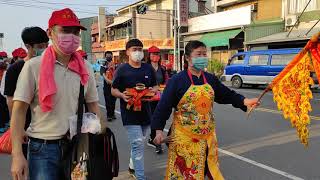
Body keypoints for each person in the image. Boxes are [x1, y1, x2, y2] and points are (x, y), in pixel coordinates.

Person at [10, 8, 101, 180]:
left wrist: (95, 140)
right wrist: (17, 155)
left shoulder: (85, 68)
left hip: (77, 145)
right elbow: (19, 109)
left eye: (75, 32)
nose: (72, 36)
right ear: (50, 33)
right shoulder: (33, 67)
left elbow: (93, 105)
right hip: (42, 149)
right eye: (65, 30)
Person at [152, 41, 260, 180]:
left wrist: (245, 101)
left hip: (207, 137)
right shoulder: (177, 80)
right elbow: (163, 107)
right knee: (185, 174)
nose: (203, 57)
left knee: (204, 171)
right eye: (199, 54)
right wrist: (158, 130)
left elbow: (226, 95)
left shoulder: (210, 79)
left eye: (204, 54)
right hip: (184, 139)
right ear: (187, 58)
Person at [111, 39, 158, 180]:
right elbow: (113, 89)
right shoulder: (122, 70)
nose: (138, 52)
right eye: (134, 49)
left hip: (146, 113)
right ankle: (140, 177)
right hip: (129, 113)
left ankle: (132, 166)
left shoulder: (148, 69)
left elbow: (155, 86)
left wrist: (151, 91)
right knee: (137, 144)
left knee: (139, 143)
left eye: (140, 49)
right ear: (127, 52)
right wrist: (121, 95)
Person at [4, 26, 49, 157]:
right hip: (26, 125)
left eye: (47, 44)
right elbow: (11, 101)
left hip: (46, 127)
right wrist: (19, 128)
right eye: (40, 46)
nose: (45, 49)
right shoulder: (15, 69)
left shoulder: (50, 65)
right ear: (28, 46)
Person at [145, 46, 168, 154]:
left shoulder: (162, 69)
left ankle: (154, 139)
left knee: (158, 118)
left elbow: (166, 82)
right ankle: (155, 140)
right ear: (149, 56)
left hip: (160, 97)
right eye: (153, 54)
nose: (156, 56)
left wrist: (163, 88)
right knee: (152, 118)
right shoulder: (145, 68)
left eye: (157, 54)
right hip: (148, 98)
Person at [102, 51, 117, 121]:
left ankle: (113, 113)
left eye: (110, 56)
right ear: (105, 57)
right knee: (108, 101)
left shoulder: (115, 64)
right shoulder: (104, 64)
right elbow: (103, 73)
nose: (109, 57)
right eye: (107, 56)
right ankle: (109, 115)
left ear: (112, 56)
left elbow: (117, 73)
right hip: (107, 86)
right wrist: (107, 80)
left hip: (114, 85)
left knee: (113, 101)